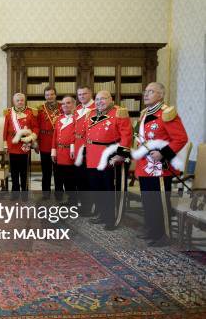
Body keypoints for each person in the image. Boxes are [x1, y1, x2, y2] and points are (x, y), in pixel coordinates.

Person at [131, 82, 188, 247]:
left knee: (160, 202)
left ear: (161, 95)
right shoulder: (144, 114)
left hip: (160, 167)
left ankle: (163, 234)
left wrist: (164, 153)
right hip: (144, 165)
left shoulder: (167, 114)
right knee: (148, 200)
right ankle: (151, 229)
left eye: (151, 91)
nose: (146, 94)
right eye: (145, 91)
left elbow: (181, 138)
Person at [77, 90, 132, 230]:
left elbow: (126, 136)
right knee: (96, 188)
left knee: (109, 190)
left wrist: (121, 154)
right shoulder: (91, 114)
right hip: (92, 156)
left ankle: (112, 218)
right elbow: (84, 134)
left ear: (111, 99)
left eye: (103, 99)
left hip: (110, 156)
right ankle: (102, 214)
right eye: (97, 99)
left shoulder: (119, 113)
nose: (99, 102)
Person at [2, 93, 39, 192]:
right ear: (14, 102)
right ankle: (15, 191)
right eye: (17, 100)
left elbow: (35, 127)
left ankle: (25, 190)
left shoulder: (31, 112)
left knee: (24, 171)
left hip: (25, 145)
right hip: (13, 145)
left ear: (24, 101)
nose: (20, 102)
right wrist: (5, 144)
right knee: (14, 171)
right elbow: (5, 129)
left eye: (22, 100)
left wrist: (32, 137)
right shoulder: (9, 113)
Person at [74, 86, 96, 215]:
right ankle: (83, 204)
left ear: (91, 94)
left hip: (89, 149)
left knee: (89, 180)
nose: (81, 96)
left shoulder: (96, 109)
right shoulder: (77, 109)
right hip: (77, 149)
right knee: (80, 179)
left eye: (84, 94)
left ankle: (91, 207)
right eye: (79, 94)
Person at [51, 96, 78, 204]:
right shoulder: (59, 118)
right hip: (59, 152)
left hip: (69, 153)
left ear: (74, 104)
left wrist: (72, 149)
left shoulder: (77, 118)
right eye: (63, 104)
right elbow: (55, 136)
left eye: (68, 103)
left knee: (69, 178)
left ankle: (72, 200)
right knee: (58, 177)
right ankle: (59, 198)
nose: (65, 105)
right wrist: (53, 151)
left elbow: (77, 136)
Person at [37, 86, 62, 198]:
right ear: (45, 96)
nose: (49, 97)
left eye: (51, 94)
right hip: (45, 143)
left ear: (55, 95)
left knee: (58, 172)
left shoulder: (62, 107)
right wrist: (36, 143)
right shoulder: (40, 109)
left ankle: (59, 194)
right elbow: (36, 127)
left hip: (58, 143)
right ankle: (45, 194)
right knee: (46, 172)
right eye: (47, 95)